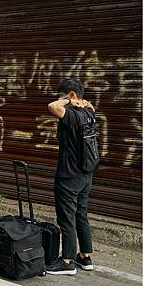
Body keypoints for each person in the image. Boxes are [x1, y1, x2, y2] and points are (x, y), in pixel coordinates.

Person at [46, 78, 96, 275]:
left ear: (72, 95)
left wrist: (67, 101)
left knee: (66, 218)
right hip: (86, 174)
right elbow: (90, 104)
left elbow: (52, 106)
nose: (59, 98)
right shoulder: (90, 113)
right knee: (81, 214)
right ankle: (85, 256)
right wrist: (80, 102)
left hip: (69, 175)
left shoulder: (72, 115)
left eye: (62, 95)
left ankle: (67, 261)